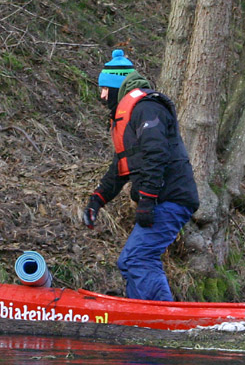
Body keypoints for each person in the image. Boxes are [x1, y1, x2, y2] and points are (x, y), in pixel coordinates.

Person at [81, 49, 199, 301]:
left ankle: (162, 316)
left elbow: (156, 154)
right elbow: (120, 166)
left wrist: (146, 198)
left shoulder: (147, 108)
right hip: (161, 198)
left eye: (105, 89)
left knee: (138, 258)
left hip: (171, 198)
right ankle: (140, 311)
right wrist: (97, 199)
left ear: (117, 87)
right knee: (130, 260)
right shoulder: (131, 113)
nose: (102, 96)